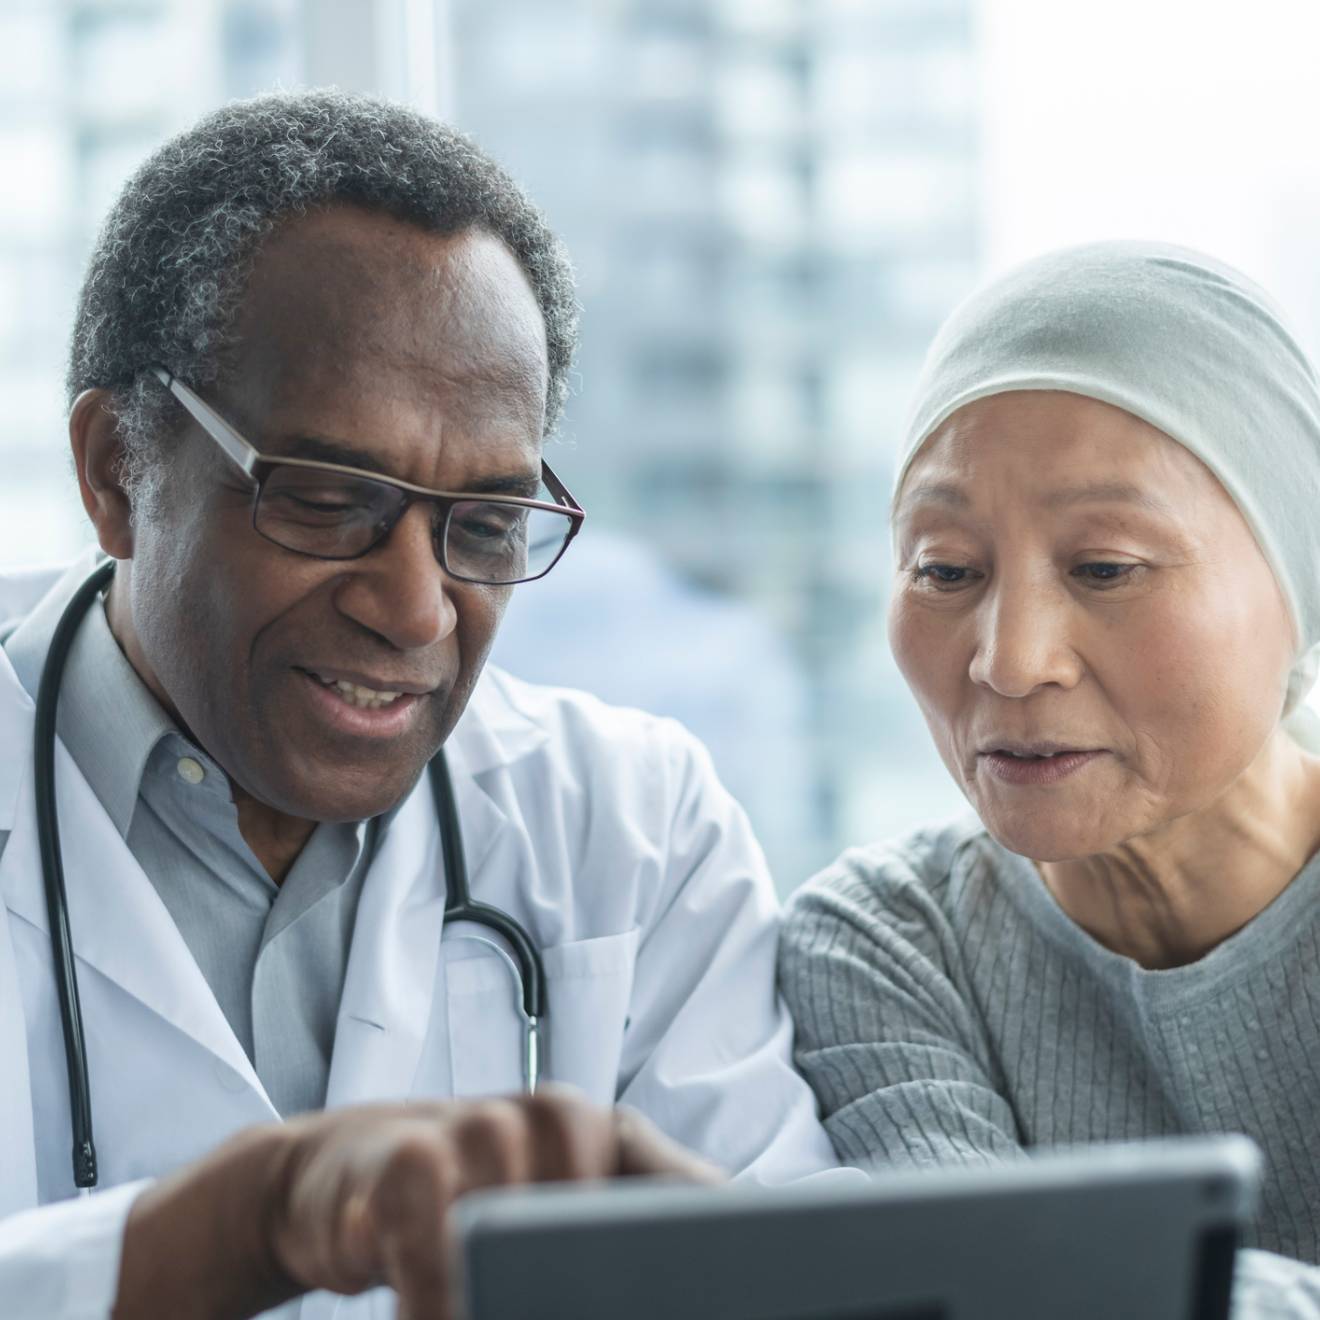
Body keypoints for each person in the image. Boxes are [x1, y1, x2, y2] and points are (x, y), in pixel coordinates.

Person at [0, 90, 837, 1319]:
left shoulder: (632, 833)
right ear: (116, 469)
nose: (418, 611)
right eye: (330, 500)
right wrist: (243, 1226)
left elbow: (800, 1288)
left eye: (486, 526)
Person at [779, 241, 1320, 1312]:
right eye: (945, 570)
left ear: (1297, 584)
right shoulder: (886, 939)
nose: (1010, 659)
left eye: (1106, 567)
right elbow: (986, 1294)